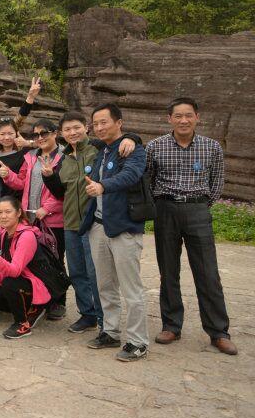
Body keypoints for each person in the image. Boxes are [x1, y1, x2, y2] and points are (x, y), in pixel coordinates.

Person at [146, 97, 236, 355]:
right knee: (168, 271)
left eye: (188, 115)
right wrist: (161, 205)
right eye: (178, 116)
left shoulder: (212, 147)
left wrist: (200, 205)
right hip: (165, 210)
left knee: (208, 273)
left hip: (198, 210)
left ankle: (218, 332)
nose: (183, 120)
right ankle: (171, 325)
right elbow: (148, 180)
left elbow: (217, 183)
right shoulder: (155, 146)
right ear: (169, 119)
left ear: (197, 117)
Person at [41, 112, 135, 333]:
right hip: (71, 222)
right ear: (61, 133)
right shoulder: (64, 157)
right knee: (77, 272)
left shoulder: (97, 148)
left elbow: (120, 139)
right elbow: (60, 193)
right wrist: (49, 176)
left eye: (76, 127)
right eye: (67, 129)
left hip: (94, 222)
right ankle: (88, 314)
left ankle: (105, 320)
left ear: (86, 127)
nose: (72, 132)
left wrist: (133, 137)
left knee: (97, 274)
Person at [79, 103, 150, 362]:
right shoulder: (103, 148)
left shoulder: (133, 150)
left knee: (131, 288)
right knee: (105, 284)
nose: (99, 127)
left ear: (119, 122)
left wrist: (103, 186)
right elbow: (73, 138)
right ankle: (110, 331)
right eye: (95, 123)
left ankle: (138, 341)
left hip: (123, 228)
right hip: (98, 226)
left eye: (104, 122)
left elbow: (131, 175)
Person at [0, 118, 66, 319]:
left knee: (55, 261)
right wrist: (7, 175)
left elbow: (66, 190)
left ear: (55, 133)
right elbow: (21, 183)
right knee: (36, 261)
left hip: (52, 220)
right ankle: (42, 299)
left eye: (44, 133)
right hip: (30, 217)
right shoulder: (30, 156)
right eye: (36, 135)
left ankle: (58, 302)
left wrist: (48, 208)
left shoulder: (64, 157)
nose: (40, 138)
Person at [0, 196, 51, 339]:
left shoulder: (26, 236)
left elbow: (15, 270)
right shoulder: (4, 232)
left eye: (8, 212)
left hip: (36, 283)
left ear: (18, 212)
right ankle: (28, 308)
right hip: (22, 280)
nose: (3, 216)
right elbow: (7, 262)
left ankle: (23, 322)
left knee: (9, 282)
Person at [0, 119, 26, 198]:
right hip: (5, 200)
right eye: (2, 134)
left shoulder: (26, 152)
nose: (7, 137)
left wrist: (28, 143)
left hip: (25, 198)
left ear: (16, 134)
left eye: (10, 133)